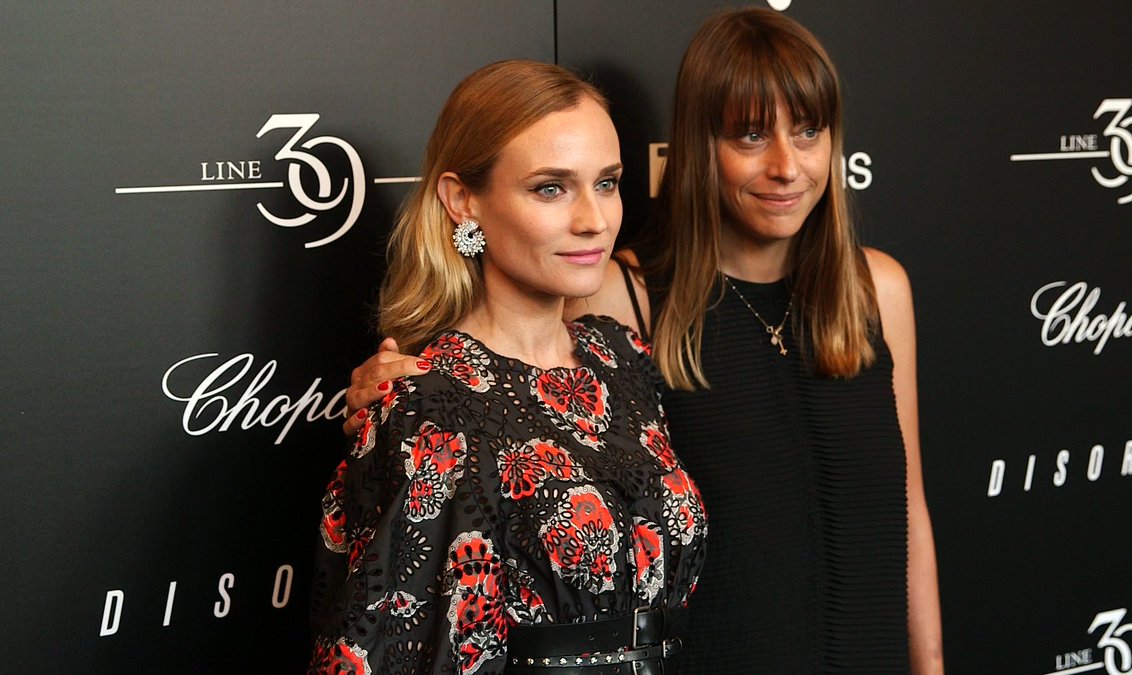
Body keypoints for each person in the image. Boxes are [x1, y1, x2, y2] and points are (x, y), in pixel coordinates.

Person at [342, 8, 943, 674]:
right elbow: (503, 357)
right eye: (750, 134)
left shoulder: (876, 289)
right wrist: (404, 385)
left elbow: (908, 512)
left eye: (808, 131)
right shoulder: (618, 301)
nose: (786, 165)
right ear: (698, 146)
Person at [310, 60, 706, 675]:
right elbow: (388, 649)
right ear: (462, 200)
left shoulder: (622, 357)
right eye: (551, 188)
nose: (594, 219)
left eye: (606, 183)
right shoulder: (425, 407)